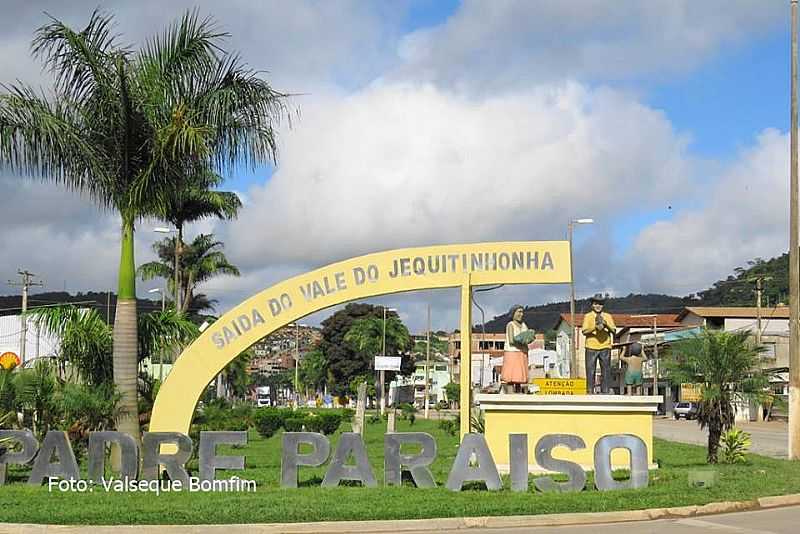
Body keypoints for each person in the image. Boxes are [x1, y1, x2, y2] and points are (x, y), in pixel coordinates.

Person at [581, 295, 616, 394]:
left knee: (606, 371)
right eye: (596, 303)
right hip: (591, 347)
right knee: (590, 371)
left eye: (600, 304)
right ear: (592, 305)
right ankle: (590, 391)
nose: (598, 306)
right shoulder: (588, 316)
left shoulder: (608, 316)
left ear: (603, 305)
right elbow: (584, 331)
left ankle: (605, 391)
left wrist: (606, 324)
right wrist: (594, 328)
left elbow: (613, 330)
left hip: (605, 346)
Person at [503, 305, 533, 393]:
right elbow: (511, 340)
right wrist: (521, 341)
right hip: (512, 353)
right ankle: (510, 395)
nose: (521, 314)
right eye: (519, 312)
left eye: (522, 312)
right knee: (511, 377)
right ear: (513, 313)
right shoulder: (510, 325)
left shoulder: (524, 325)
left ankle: (518, 394)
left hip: (522, 353)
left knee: (519, 377)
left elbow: (527, 337)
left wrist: (529, 337)